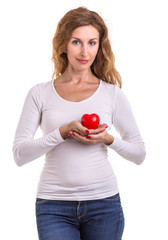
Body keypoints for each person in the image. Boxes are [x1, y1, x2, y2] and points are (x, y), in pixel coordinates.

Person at [12, 7, 146, 240]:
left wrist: (109, 140)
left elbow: (139, 154)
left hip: (104, 204)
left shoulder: (112, 94)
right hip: (53, 205)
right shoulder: (39, 93)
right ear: (63, 44)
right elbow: (19, 155)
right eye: (77, 42)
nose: (85, 52)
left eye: (92, 42)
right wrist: (62, 132)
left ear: (99, 46)